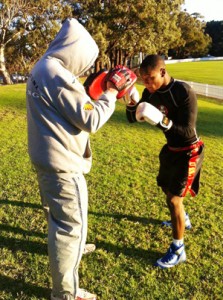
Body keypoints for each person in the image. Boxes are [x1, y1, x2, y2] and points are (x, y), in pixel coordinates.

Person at [26, 18, 134, 300]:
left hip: (46, 160)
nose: (85, 66)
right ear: (76, 50)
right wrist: (111, 91)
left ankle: (74, 245)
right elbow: (92, 118)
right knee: (68, 228)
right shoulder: (56, 74)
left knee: (59, 222)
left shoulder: (43, 67)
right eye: (85, 59)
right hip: (63, 165)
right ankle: (65, 293)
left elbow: (68, 108)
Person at [126, 54, 204, 268]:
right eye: (143, 79)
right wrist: (131, 102)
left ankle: (178, 250)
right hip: (170, 149)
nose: (147, 83)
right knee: (166, 190)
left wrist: (162, 121)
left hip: (189, 150)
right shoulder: (149, 93)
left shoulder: (183, 91)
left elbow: (188, 130)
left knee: (174, 200)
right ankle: (183, 219)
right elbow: (132, 119)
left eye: (150, 78)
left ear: (162, 72)